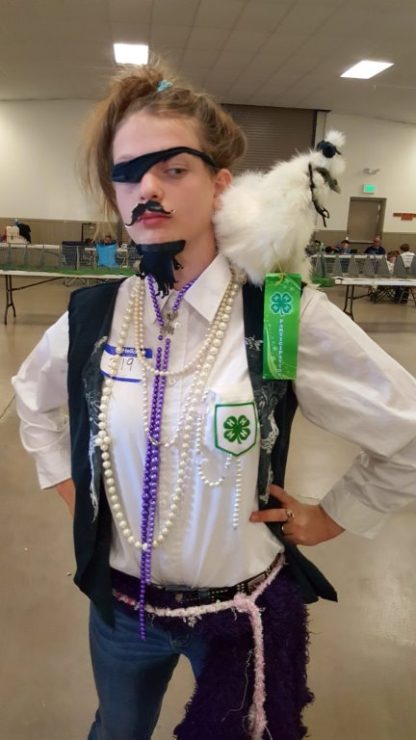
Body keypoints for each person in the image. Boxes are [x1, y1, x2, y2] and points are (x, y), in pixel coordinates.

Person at [11, 62, 416, 740]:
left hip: (240, 616)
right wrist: (67, 480)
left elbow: (406, 427)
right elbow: (31, 397)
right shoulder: (95, 315)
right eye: (127, 172)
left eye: (173, 169)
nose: (145, 187)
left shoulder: (280, 314)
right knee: (115, 731)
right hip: (121, 612)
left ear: (221, 184)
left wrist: (334, 515)